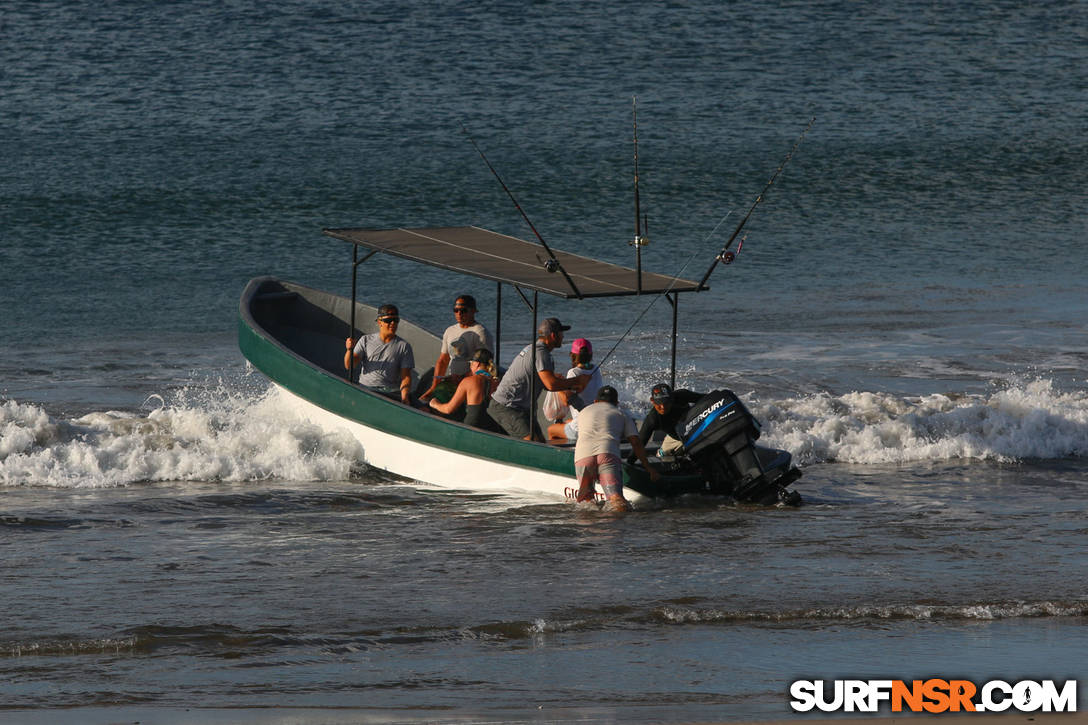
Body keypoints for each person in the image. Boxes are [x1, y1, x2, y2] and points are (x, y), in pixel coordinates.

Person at [488, 317, 587, 440]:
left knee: (540, 442)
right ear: (553, 335)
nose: (563, 336)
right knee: (532, 442)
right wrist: (577, 380)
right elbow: (551, 385)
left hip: (522, 408)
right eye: (561, 333)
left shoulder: (536, 349)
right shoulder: (541, 352)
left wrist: (569, 385)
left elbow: (547, 384)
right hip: (507, 406)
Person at [573, 386, 660, 511]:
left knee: (586, 501)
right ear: (617, 403)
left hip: (583, 455)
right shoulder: (621, 413)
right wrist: (648, 467)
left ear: (596, 401)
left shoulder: (584, 411)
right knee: (616, 499)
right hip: (608, 453)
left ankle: (587, 528)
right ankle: (616, 528)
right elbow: (636, 442)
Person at [420, 295, 494, 403]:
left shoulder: (480, 332)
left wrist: (462, 378)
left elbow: (484, 364)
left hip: (471, 383)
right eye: (456, 310)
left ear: (473, 311)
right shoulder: (449, 331)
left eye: (463, 310)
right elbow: (443, 360)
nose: (459, 313)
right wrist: (434, 385)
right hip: (452, 380)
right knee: (428, 399)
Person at [343, 304, 415, 404]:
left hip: (390, 393)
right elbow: (349, 365)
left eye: (396, 320)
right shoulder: (365, 340)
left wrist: (404, 397)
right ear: (379, 322)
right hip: (366, 389)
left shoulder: (404, 346)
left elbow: (406, 376)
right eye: (388, 320)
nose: (393, 323)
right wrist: (349, 350)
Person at [427, 348, 500, 431]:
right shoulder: (497, 382)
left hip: (471, 429)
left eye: (471, 363)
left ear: (477, 364)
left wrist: (435, 404)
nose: (470, 366)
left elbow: (448, 409)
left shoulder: (469, 381)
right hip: (492, 429)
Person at [546, 337, 604, 441]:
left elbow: (566, 400)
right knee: (568, 421)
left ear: (573, 356)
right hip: (597, 422)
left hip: (582, 427)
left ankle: (559, 453)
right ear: (590, 355)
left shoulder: (573, 372)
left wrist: (557, 384)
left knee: (551, 430)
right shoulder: (596, 369)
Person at [634, 382, 704, 458]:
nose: (663, 407)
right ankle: (662, 451)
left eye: (666, 403)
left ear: (672, 399)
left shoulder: (682, 396)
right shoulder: (652, 419)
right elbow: (640, 444)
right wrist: (630, 463)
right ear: (652, 401)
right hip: (676, 438)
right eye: (659, 403)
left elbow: (708, 398)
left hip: (698, 428)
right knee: (661, 456)